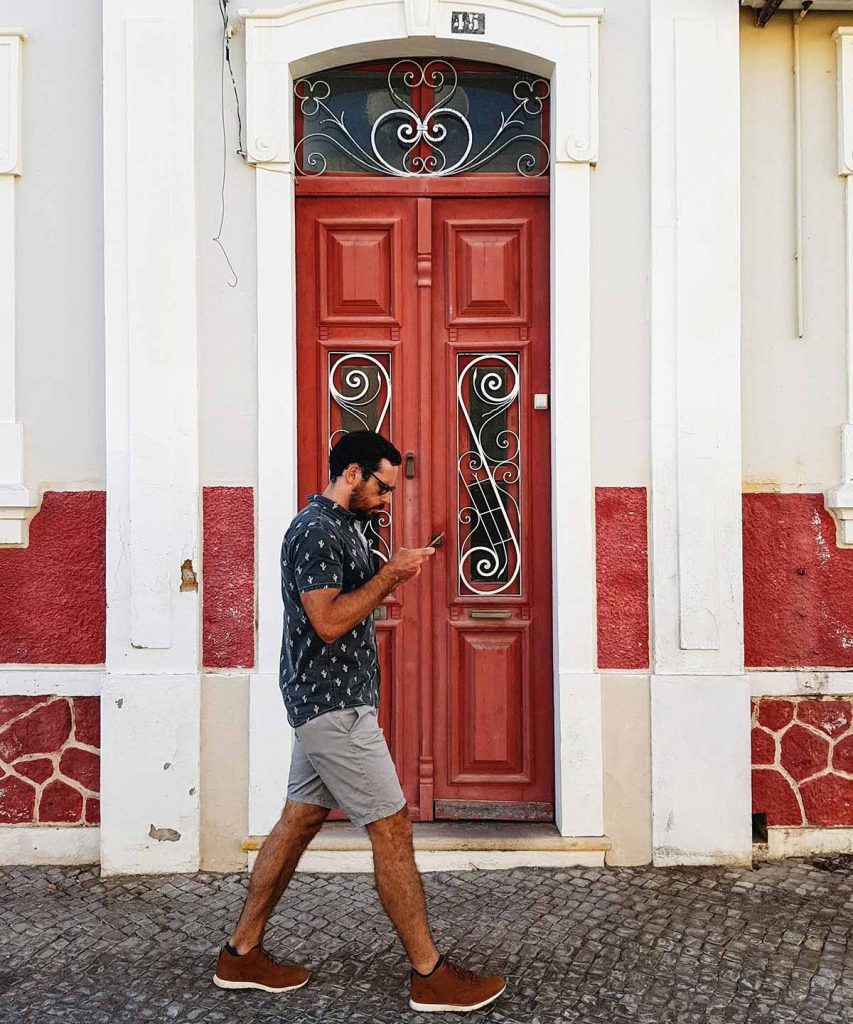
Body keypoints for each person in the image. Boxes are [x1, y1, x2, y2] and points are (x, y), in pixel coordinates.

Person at [214, 430, 507, 1013]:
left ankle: (241, 954)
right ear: (351, 473)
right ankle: (430, 974)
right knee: (392, 825)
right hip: (332, 709)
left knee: (297, 823)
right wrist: (390, 578)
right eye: (381, 487)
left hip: (331, 704)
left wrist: (393, 567)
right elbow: (326, 622)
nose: (388, 499)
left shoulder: (345, 526)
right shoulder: (316, 531)